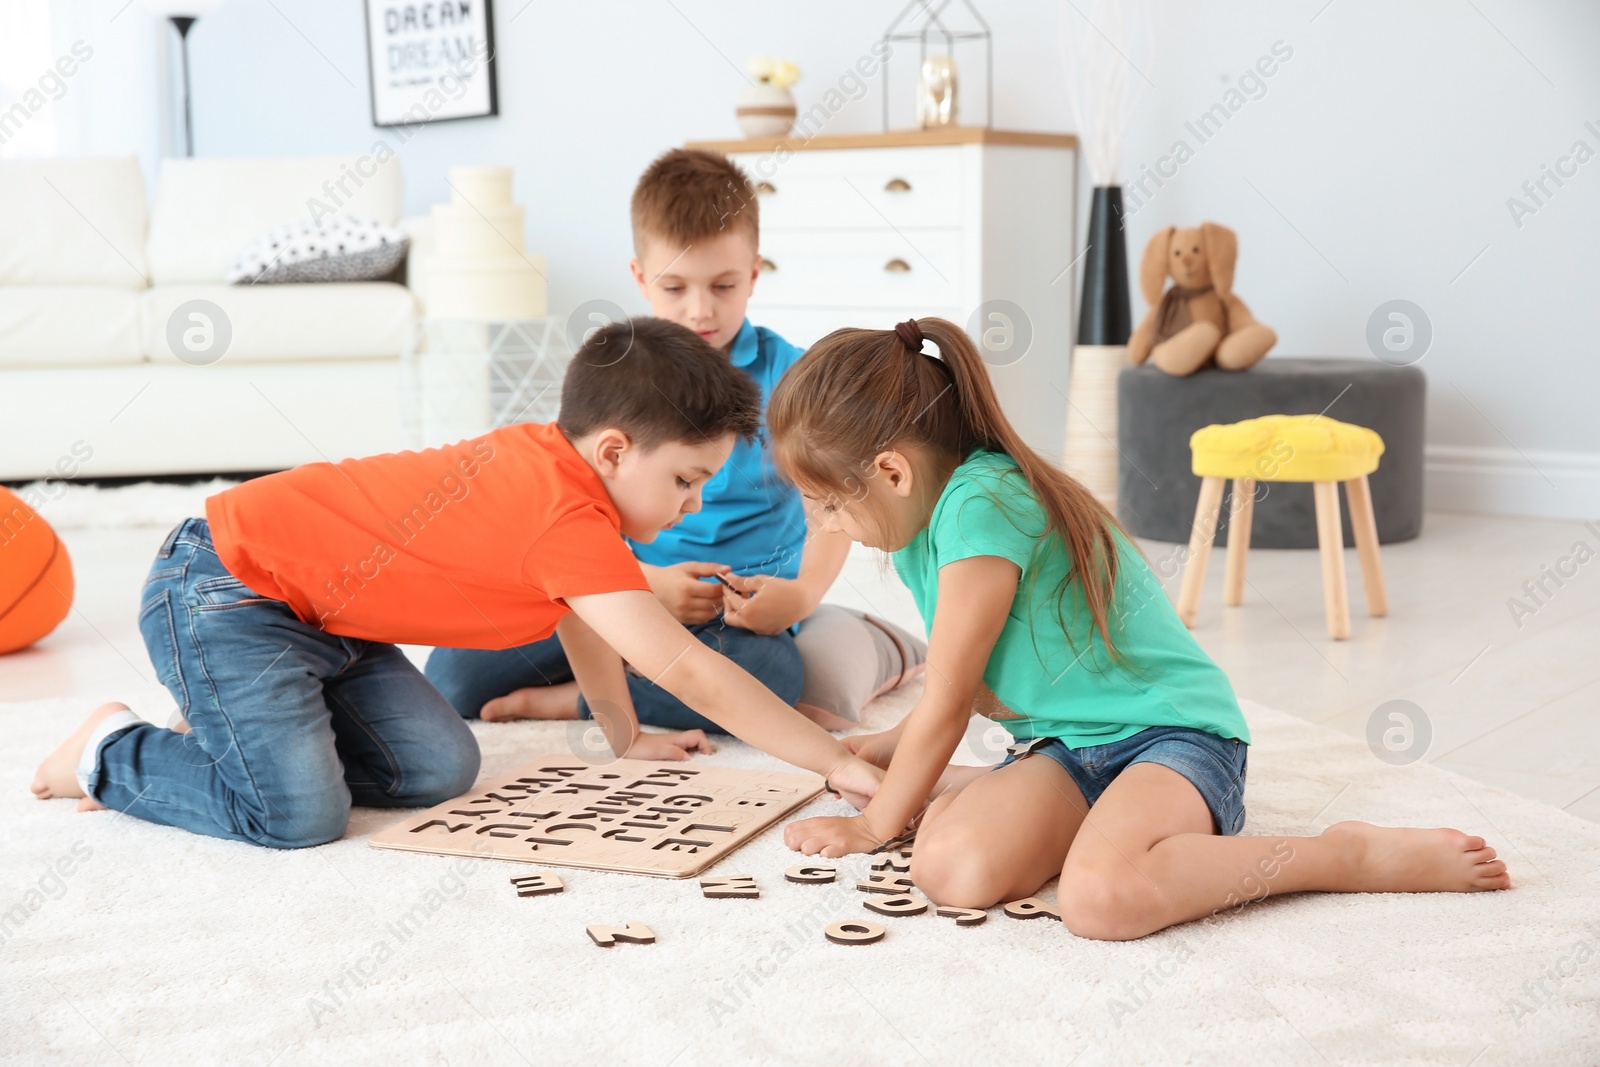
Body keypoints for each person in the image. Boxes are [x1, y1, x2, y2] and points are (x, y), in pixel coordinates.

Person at [768, 316, 1511, 940]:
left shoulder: (978, 505)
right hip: (1067, 747)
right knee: (949, 869)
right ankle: (1052, 811)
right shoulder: (924, 528)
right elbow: (964, 690)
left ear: (893, 472)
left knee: (1100, 898)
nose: (825, 524)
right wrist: (882, 752)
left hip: (1170, 735)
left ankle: (1340, 855)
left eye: (828, 503)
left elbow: (951, 697)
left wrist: (873, 828)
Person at [30, 318, 881, 848]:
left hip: (332, 622)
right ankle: (111, 749)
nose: (693, 503)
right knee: (297, 816)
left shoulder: (572, 491)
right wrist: (836, 763)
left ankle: (236, 723)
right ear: (616, 451)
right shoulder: (564, 513)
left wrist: (623, 738)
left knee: (438, 766)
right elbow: (689, 669)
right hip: (222, 586)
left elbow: (586, 625)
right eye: (687, 480)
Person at [425, 148, 924, 732]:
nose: (700, 310)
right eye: (675, 287)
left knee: (773, 678)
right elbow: (573, 504)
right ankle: (625, 667)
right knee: (453, 678)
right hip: (612, 593)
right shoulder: (617, 379)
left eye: (723, 285)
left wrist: (805, 594)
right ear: (640, 278)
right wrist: (647, 586)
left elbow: (835, 503)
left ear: (755, 274)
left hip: (730, 615)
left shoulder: (793, 381)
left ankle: (577, 700)